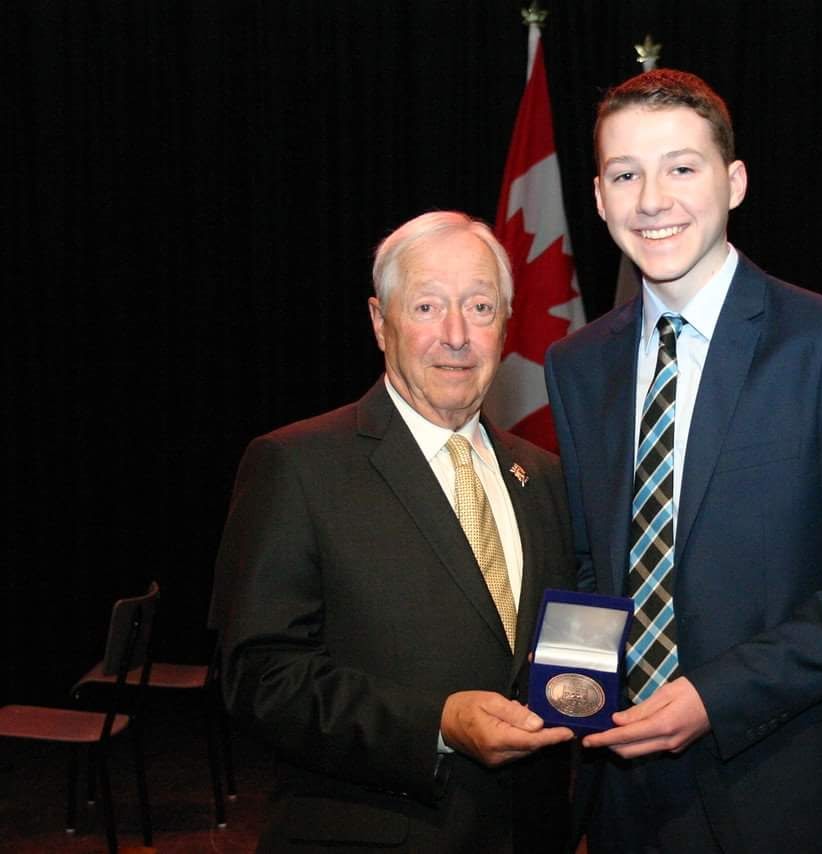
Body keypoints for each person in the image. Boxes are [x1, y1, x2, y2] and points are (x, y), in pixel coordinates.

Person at [543, 69, 822, 853]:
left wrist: (713, 698)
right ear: (597, 196)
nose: (652, 199)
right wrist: (574, 700)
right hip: (624, 793)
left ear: (735, 181)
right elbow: (591, 567)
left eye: (681, 167)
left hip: (789, 787)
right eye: (626, 174)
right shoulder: (577, 364)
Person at [214, 212, 576, 852]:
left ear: (506, 324)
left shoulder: (544, 475)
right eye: (429, 306)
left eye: (481, 306)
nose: (457, 335)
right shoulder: (297, 464)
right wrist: (436, 723)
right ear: (381, 323)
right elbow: (260, 678)